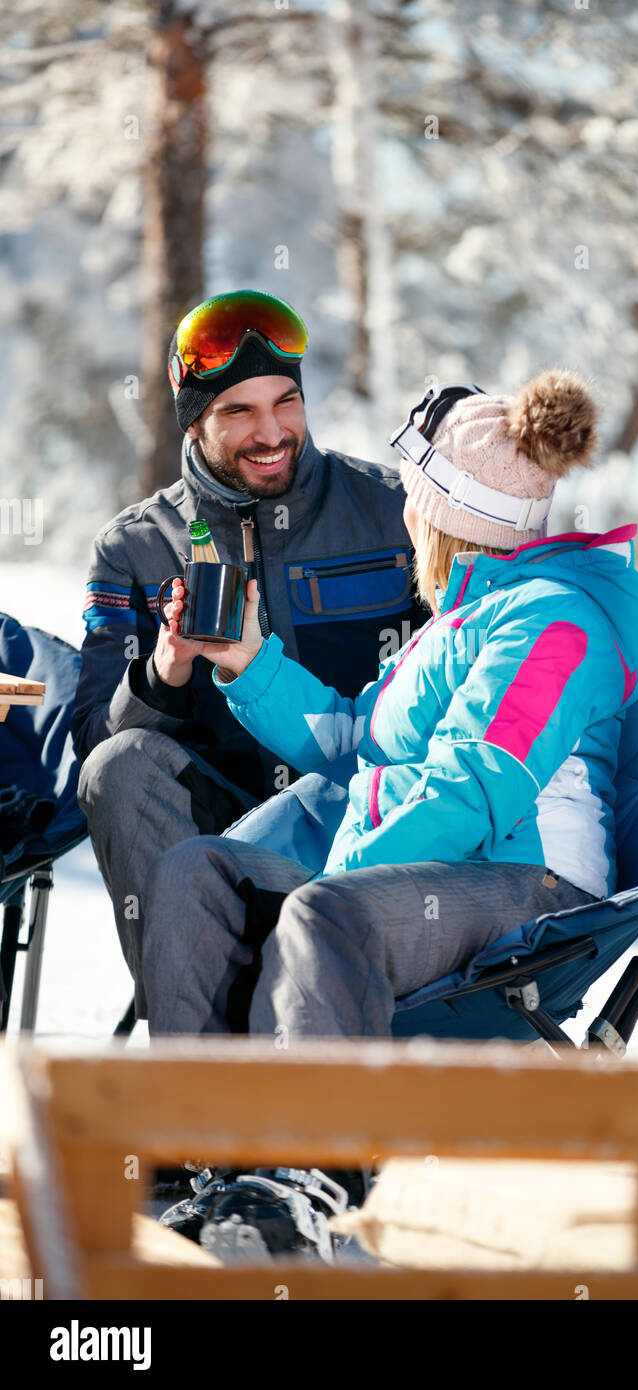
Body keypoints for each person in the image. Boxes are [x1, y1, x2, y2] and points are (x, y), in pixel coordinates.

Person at [145, 368, 638, 1260]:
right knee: (200, 872)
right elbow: (358, 739)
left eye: (413, 500)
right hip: (428, 865)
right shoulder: (456, 618)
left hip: (528, 882)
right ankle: (203, 1154)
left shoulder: (554, 621)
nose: (401, 515)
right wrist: (244, 659)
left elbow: (477, 783)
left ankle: (310, 1177)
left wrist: (339, 875)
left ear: (444, 514)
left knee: (321, 909)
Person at [72, 291, 425, 1018]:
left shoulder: (398, 512)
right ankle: (196, 1062)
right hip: (220, 828)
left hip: (368, 817)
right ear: (194, 421)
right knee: (119, 765)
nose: (271, 432)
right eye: (237, 412)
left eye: (286, 402)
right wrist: (166, 671)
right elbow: (93, 751)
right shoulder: (137, 548)